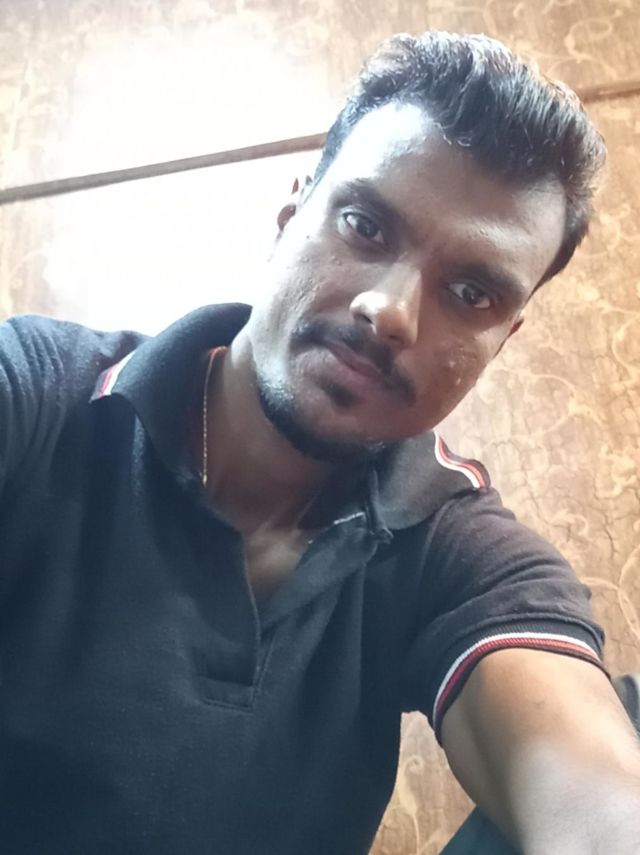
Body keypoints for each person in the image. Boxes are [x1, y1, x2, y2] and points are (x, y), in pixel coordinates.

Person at [0, 30, 638, 855]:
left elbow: (597, 795)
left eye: (470, 292)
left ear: (502, 339)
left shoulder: (460, 552)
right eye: (365, 225)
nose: (391, 311)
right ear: (290, 213)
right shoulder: (39, 394)